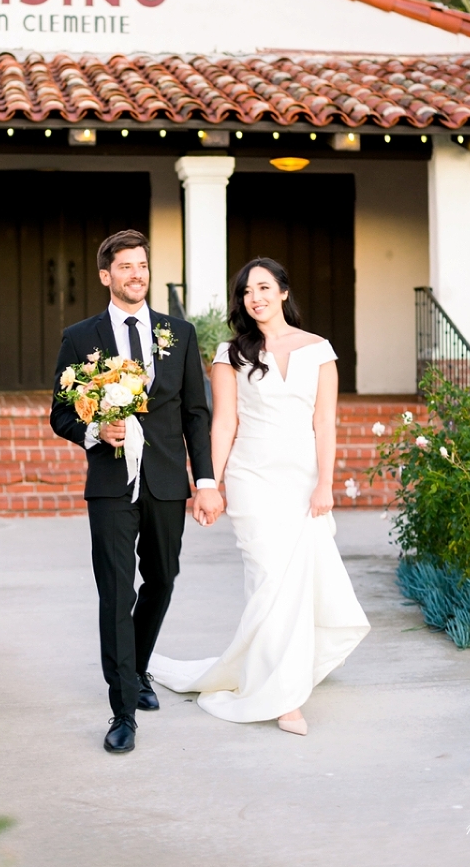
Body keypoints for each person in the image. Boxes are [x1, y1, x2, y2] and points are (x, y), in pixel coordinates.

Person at [150, 257, 370, 734]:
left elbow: (325, 423)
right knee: (270, 579)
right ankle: (283, 696)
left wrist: (325, 483)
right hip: (252, 477)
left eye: (265, 287)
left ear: (284, 292)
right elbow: (223, 421)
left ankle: (281, 671)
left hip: (302, 477)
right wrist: (209, 483)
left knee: (296, 582)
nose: (257, 297)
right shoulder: (232, 352)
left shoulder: (319, 350)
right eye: (248, 291)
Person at [50, 230, 224, 755]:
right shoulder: (81, 337)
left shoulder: (181, 333)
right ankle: (122, 708)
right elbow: (59, 412)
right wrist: (94, 431)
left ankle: (139, 666)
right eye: (124, 267)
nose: (136, 275)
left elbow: (196, 412)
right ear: (106, 275)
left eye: (142, 265)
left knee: (163, 579)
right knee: (116, 593)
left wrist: (207, 481)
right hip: (109, 483)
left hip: (167, 480)